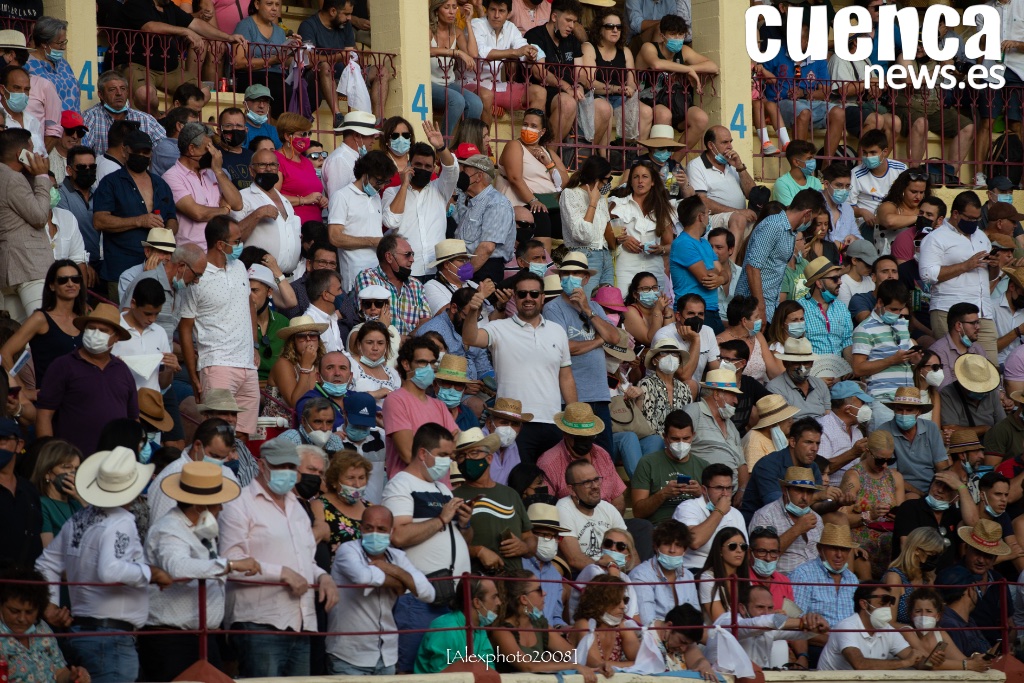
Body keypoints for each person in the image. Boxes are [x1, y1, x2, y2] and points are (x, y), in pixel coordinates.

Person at [35, 447, 173, 683]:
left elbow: (46, 562)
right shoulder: (121, 521)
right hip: (111, 639)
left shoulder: (79, 518)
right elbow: (110, 570)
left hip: (82, 632)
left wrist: (50, 605)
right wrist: (151, 573)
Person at [217, 437, 339, 677]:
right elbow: (230, 562)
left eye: (292, 467)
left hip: (301, 621)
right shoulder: (239, 504)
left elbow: (305, 559)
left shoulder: (297, 507)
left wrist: (323, 577)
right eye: (280, 466)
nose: (287, 472)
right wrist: (280, 573)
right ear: (262, 465)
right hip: (259, 621)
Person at [141, 461, 256, 682]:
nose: (221, 509)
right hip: (173, 640)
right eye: (217, 504)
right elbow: (177, 567)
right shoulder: (169, 529)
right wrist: (230, 565)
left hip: (199, 636)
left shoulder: (202, 528)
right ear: (200, 507)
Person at [383, 422, 474, 672]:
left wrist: (464, 524)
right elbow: (398, 535)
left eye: (451, 455)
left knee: (449, 670)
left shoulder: (443, 488)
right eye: (443, 454)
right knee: (411, 669)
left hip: (452, 597)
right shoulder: (400, 484)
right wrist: (441, 519)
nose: (448, 461)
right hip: (419, 598)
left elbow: (462, 540)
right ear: (423, 453)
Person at [462, 271, 577, 463]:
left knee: (552, 479)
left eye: (534, 294)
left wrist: (573, 417)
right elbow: (470, 338)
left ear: (543, 297)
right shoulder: (499, 327)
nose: (528, 298)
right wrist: (474, 310)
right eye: (522, 294)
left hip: (552, 421)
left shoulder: (558, 331)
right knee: (518, 478)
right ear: (514, 298)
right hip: (513, 423)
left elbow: (566, 377)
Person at [327, 504, 435, 676]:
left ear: (391, 532)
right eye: (369, 528)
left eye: (381, 529)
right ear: (360, 528)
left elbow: (429, 593)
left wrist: (394, 570)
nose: (375, 533)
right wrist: (400, 583)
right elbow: (363, 577)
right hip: (349, 655)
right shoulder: (348, 550)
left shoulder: (397, 557)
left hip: (387, 657)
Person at [178, 216, 261, 438]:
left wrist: (254, 345)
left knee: (243, 436)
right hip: (217, 365)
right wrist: (193, 374)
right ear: (220, 244)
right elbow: (185, 327)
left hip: (248, 366)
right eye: (237, 241)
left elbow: (249, 305)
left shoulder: (240, 266)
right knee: (217, 435)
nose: (240, 245)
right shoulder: (197, 276)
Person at [35, 304, 138, 455]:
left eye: (103, 330)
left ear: (116, 337)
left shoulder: (122, 370)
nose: (95, 334)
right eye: (91, 328)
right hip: (73, 460)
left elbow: (133, 419)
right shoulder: (63, 365)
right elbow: (44, 414)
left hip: (115, 462)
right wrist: (49, 457)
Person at [94, 130, 179, 293]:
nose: (141, 155)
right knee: (122, 310)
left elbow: (172, 218)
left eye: (145, 152)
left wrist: (165, 234)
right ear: (125, 151)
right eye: (136, 151)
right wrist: (139, 221)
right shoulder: (110, 183)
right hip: (121, 268)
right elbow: (99, 221)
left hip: (158, 270)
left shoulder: (161, 184)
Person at [919, 191, 997, 365]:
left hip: (983, 312)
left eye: (977, 219)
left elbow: (989, 277)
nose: (974, 223)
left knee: (991, 369)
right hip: (949, 311)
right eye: (970, 218)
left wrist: (994, 266)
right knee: (956, 367)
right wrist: (965, 265)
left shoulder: (981, 236)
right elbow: (927, 275)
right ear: (955, 214)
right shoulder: (935, 238)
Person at [736, 188, 827, 323]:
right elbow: (752, 267)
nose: (810, 224)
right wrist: (760, 308)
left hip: (769, 306)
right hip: (752, 309)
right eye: (812, 219)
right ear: (807, 213)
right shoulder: (773, 226)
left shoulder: (790, 232)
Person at [453, 427, 536, 571]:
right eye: (461, 456)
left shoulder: (511, 494)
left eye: (474, 453)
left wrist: (525, 547)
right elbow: (447, 547)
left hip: (514, 580)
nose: (467, 459)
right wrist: (477, 551)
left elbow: (529, 537)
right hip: (476, 581)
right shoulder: (453, 498)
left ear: (489, 458)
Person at [384, 122, 460, 277]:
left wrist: (440, 147)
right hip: (407, 271)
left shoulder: (440, 188)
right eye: (418, 165)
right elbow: (391, 222)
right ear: (409, 164)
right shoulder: (392, 192)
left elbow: (452, 169)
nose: (423, 169)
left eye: (427, 166)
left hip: (436, 270)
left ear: (433, 168)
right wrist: (404, 186)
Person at [382, 337, 460, 482]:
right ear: (406, 364)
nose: (429, 368)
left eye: (432, 363)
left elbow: (457, 449)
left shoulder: (440, 405)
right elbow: (408, 454)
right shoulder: (395, 401)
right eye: (422, 362)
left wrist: (440, 450)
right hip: (410, 488)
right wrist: (445, 450)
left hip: (442, 488)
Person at [0, 260, 84, 390]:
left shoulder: (82, 320)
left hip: (82, 396)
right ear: (52, 285)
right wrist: (21, 391)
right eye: (63, 280)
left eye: (75, 279)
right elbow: (5, 353)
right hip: (51, 399)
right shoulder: (40, 318)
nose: (70, 284)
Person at [0, 565, 91, 683]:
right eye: (14, 611)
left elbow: (59, 672)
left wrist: (73, 676)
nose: (22, 618)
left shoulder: (42, 629)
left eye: (29, 612)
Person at [0, 128, 54, 322]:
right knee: (44, 325)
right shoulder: (13, 179)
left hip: (9, 268)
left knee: (16, 332)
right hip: (29, 265)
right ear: (20, 154)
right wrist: (42, 176)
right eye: (31, 149)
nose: (35, 154)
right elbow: (39, 217)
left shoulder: (7, 175)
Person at [498, 108, 569, 253]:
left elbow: (565, 182)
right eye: (525, 124)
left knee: (570, 223)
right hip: (524, 202)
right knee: (540, 215)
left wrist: (549, 164)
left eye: (533, 126)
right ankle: (542, 261)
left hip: (550, 203)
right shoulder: (515, 145)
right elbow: (514, 178)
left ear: (542, 132)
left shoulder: (548, 152)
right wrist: (533, 200)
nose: (527, 129)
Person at [817, 585, 933, 670]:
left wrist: (931, 662)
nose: (887, 608)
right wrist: (904, 663)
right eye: (882, 603)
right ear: (864, 604)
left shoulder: (887, 629)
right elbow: (860, 664)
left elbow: (914, 660)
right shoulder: (847, 627)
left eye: (889, 603)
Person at [327, 149, 396, 292]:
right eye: (379, 181)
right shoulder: (342, 196)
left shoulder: (376, 197)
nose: (382, 186)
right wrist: (371, 241)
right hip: (355, 276)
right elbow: (334, 237)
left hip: (379, 272)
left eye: (385, 182)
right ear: (365, 174)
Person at [840, 430, 905, 578]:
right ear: (868, 452)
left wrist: (897, 516)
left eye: (890, 461)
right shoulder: (854, 477)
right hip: (862, 541)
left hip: (889, 538)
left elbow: (902, 515)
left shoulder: (895, 477)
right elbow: (841, 520)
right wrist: (869, 515)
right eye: (880, 460)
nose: (885, 465)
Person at [588, 9, 653, 144]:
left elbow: (632, 82)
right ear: (599, 29)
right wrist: (617, 88)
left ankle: (634, 153)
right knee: (606, 109)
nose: (615, 30)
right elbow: (590, 82)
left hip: (620, 97)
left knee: (646, 111)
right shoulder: (589, 47)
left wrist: (630, 88)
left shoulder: (625, 51)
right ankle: (603, 154)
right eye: (610, 26)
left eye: (618, 27)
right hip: (597, 96)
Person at [232, 149, 302, 275]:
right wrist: (257, 214)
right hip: (257, 277)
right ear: (251, 170)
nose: (269, 169)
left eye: (272, 165)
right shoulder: (242, 198)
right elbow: (232, 239)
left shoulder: (285, 200)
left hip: (288, 278)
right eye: (262, 165)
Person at [749, 465, 825, 575]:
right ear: (785, 490)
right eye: (799, 490)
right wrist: (797, 529)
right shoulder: (765, 515)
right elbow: (762, 558)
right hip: (784, 580)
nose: (805, 497)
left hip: (816, 580)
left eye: (809, 492)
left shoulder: (817, 518)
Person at [454, 153, 518, 283]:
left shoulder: (496, 203)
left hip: (483, 270)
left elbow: (487, 247)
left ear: (479, 176)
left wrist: (466, 272)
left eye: (465, 172)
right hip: (473, 266)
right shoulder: (473, 202)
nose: (461, 176)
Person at [414, 577, 500, 673]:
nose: (499, 602)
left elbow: (488, 667)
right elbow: (442, 675)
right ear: (477, 602)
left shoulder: (479, 626)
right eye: (494, 597)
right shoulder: (445, 628)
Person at [355, 232, 432, 337]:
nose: (412, 259)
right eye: (407, 254)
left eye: (412, 254)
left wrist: (408, 339)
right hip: (380, 342)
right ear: (389, 257)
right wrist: (396, 340)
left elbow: (426, 320)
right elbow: (371, 319)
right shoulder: (368, 277)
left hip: (411, 344)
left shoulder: (416, 285)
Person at [901, 588, 993, 672]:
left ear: (938, 616)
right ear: (911, 615)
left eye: (929, 611)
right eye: (918, 611)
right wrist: (969, 664)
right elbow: (928, 662)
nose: (923, 615)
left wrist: (975, 658)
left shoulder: (940, 632)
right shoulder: (907, 632)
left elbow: (961, 659)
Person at [557, 459, 627, 570]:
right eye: (587, 482)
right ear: (572, 489)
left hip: (614, 571)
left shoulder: (608, 508)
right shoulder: (563, 509)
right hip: (583, 574)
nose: (595, 486)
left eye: (596, 480)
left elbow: (629, 551)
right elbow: (575, 559)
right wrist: (609, 570)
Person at [559, 156, 614, 293]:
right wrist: (592, 203)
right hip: (585, 255)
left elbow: (605, 230)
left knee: (608, 301)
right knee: (584, 301)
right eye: (608, 179)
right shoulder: (570, 194)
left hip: (605, 255)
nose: (608, 183)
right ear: (597, 179)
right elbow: (583, 236)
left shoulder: (601, 198)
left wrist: (618, 239)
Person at [628, 519, 699, 626]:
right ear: (656, 547)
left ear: (684, 551)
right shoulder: (641, 575)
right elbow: (647, 622)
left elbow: (696, 618)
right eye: (667, 544)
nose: (672, 550)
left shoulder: (688, 576)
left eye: (678, 545)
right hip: (655, 635)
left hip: (686, 634)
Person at [671, 195, 726, 333]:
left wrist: (721, 278)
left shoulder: (705, 243)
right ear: (701, 217)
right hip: (692, 314)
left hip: (712, 310)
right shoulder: (683, 243)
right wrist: (720, 276)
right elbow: (706, 279)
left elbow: (724, 272)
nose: (709, 217)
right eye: (708, 213)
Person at [429, 0, 484, 136]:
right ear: (437, 10)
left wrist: (468, 22)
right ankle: (443, 145)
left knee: (476, 103)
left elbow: (473, 54)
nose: (452, 12)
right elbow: (427, 50)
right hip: (429, 83)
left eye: (454, 7)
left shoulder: (457, 32)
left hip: (448, 83)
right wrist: (456, 52)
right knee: (457, 100)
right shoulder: (429, 30)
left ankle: (466, 143)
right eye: (446, 7)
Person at [81, 71, 165, 156]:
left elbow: (165, 149)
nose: (119, 93)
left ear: (127, 92)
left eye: (122, 89)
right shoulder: (90, 118)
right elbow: (82, 153)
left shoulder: (145, 119)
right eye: (112, 89)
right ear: (101, 95)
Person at [569, 574, 641, 669]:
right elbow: (597, 665)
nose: (623, 606)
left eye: (625, 600)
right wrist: (630, 664)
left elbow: (643, 661)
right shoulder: (584, 624)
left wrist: (609, 664)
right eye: (616, 601)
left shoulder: (622, 626)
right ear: (599, 602)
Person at [652, 293, 722, 384]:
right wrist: (695, 340)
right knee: (690, 384)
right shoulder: (664, 335)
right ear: (678, 316)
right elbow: (684, 376)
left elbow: (715, 369)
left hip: (694, 388)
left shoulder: (708, 331)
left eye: (700, 314)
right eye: (691, 313)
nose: (696, 318)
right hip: (662, 386)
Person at [882, 527, 945, 626]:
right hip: (897, 632)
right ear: (917, 550)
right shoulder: (895, 577)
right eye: (932, 554)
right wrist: (911, 631)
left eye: (937, 555)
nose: (935, 559)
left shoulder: (928, 579)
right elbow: (889, 622)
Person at [716, 294, 782, 385]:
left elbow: (773, 373)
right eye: (756, 317)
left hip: (760, 391)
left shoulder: (758, 337)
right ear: (744, 321)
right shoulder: (719, 342)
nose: (760, 320)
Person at [29, 438, 83, 548]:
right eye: (66, 467)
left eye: (76, 468)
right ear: (47, 473)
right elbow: (48, 548)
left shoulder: (78, 503)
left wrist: (82, 499)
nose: (73, 473)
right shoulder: (41, 505)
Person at [765, 337, 830, 421]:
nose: (802, 368)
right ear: (785, 363)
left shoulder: (820, 384)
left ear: (812, 363)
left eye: (806, 362)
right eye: (796, 363)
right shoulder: (775, 388)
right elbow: (784, 423)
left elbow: (828, 415)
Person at [323, 109, 380, 197]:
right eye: (371, 136)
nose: (373, 141)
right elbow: (337, 198)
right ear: (357, 136)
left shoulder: (354, 157)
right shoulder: (340, 160)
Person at [623, 271, 674, 347]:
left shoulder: (666, 310)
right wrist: (657, 312)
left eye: (654, 287)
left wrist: (667, 313)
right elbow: (650, 341)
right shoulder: (630, 311)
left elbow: (670, 339)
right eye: (646, 289)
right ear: (635, 294)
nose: (652, 292)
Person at [215, 107, 254, 189]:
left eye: (239, 126)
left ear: (246, 130)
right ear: (219, 131)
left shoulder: (253, 157)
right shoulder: (213, 154)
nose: (234, 129)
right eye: (228, 126)